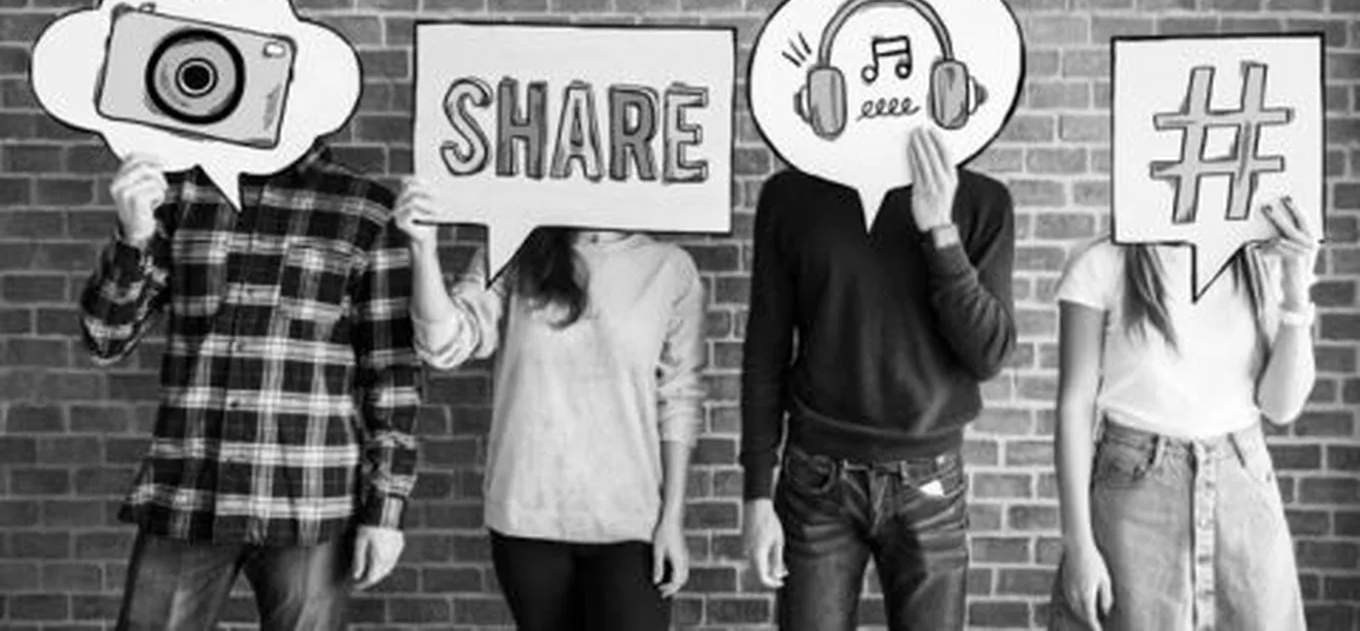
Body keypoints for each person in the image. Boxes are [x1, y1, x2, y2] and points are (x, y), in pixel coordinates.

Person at [81, 146, 421, 631]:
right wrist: (134, 236)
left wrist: (385, 510)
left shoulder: (365, 208)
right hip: (189, 487)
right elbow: (104, 340)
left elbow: (391, 374)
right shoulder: (178, 194)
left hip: (311, 498)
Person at [394, 178, 707, 631]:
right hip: (528, 514)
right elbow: (444, 345)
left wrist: (672, 518)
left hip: (630, 518)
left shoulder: (670, 268)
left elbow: (679, 398)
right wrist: (423, 249)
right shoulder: (515, 250)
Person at [740, 125, 1018, 631]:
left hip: (929, 480)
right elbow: (765, 350)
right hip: (817, 479)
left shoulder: (982, 201)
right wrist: (757, 497)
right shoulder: (791, 195)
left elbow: (989, 355)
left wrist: (941, 231)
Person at [1049, 195, 1319, 631]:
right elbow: (1075, 403)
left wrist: (1294, 286)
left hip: (1243, 487)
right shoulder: (1103, 262)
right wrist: (1079, 544)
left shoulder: (1259, 260)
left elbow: (1281, 406)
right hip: (1135, 492)